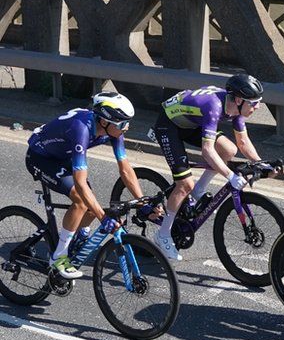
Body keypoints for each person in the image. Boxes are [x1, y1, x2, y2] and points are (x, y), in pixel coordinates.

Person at [26, 92, 148, 279]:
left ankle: (78, 238)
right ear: (105, 122)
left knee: (91, 208)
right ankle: (58, 257)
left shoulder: (114, 130)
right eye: (123, 123)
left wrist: (143, 203)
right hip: (40, 157)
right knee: (82, 200)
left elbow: (125, 170)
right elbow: (81, 184)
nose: (127, 127)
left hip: (62, 156)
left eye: (128, 122)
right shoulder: (81, 129)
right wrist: (104, 219)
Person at [150, 73, 268, 260]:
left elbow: (243, 143)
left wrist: (262, 163)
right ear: (238, 99)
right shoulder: (214, 106)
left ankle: (198, 191)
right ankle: (162, 234)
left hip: (191, 123)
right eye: (253, 102)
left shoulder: (235, 109)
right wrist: (230, 175)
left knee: (229, 150)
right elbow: (207, 151)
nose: (258, 106)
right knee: (184, 184)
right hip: (168, 125)